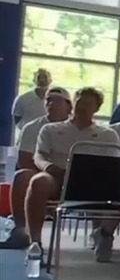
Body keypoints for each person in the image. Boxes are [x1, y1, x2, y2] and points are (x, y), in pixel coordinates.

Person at [24, 88, 120, 266]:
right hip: (58, 178)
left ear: (96, 108)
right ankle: (35, 243)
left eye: (88, 104)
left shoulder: (107, 134)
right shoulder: (51, 129)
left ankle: (105, 233)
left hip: (95, 181)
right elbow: (39, 156)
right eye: (79, 102)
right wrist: (48, 167)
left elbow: (113, 164)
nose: (82, 106)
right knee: (38, 182)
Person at [6, 87, 71, 249]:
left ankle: (103, 233)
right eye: (48, 100)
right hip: (43, 174)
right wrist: (48, 171)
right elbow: (26, 161)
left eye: (56, 100)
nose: (51, 103)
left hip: (72, 177)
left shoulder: (76, 128)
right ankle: (22, 231)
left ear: (69, 106)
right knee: (22, 176)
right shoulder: (31, 128)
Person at [12, 68, 52, 132]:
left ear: (50, 80)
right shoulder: (23, 98)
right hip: (27, 136)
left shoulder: (56, 100)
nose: (42, 80)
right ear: (34, 80)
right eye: (39, 77)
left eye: (45, 77)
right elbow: (17, 119)